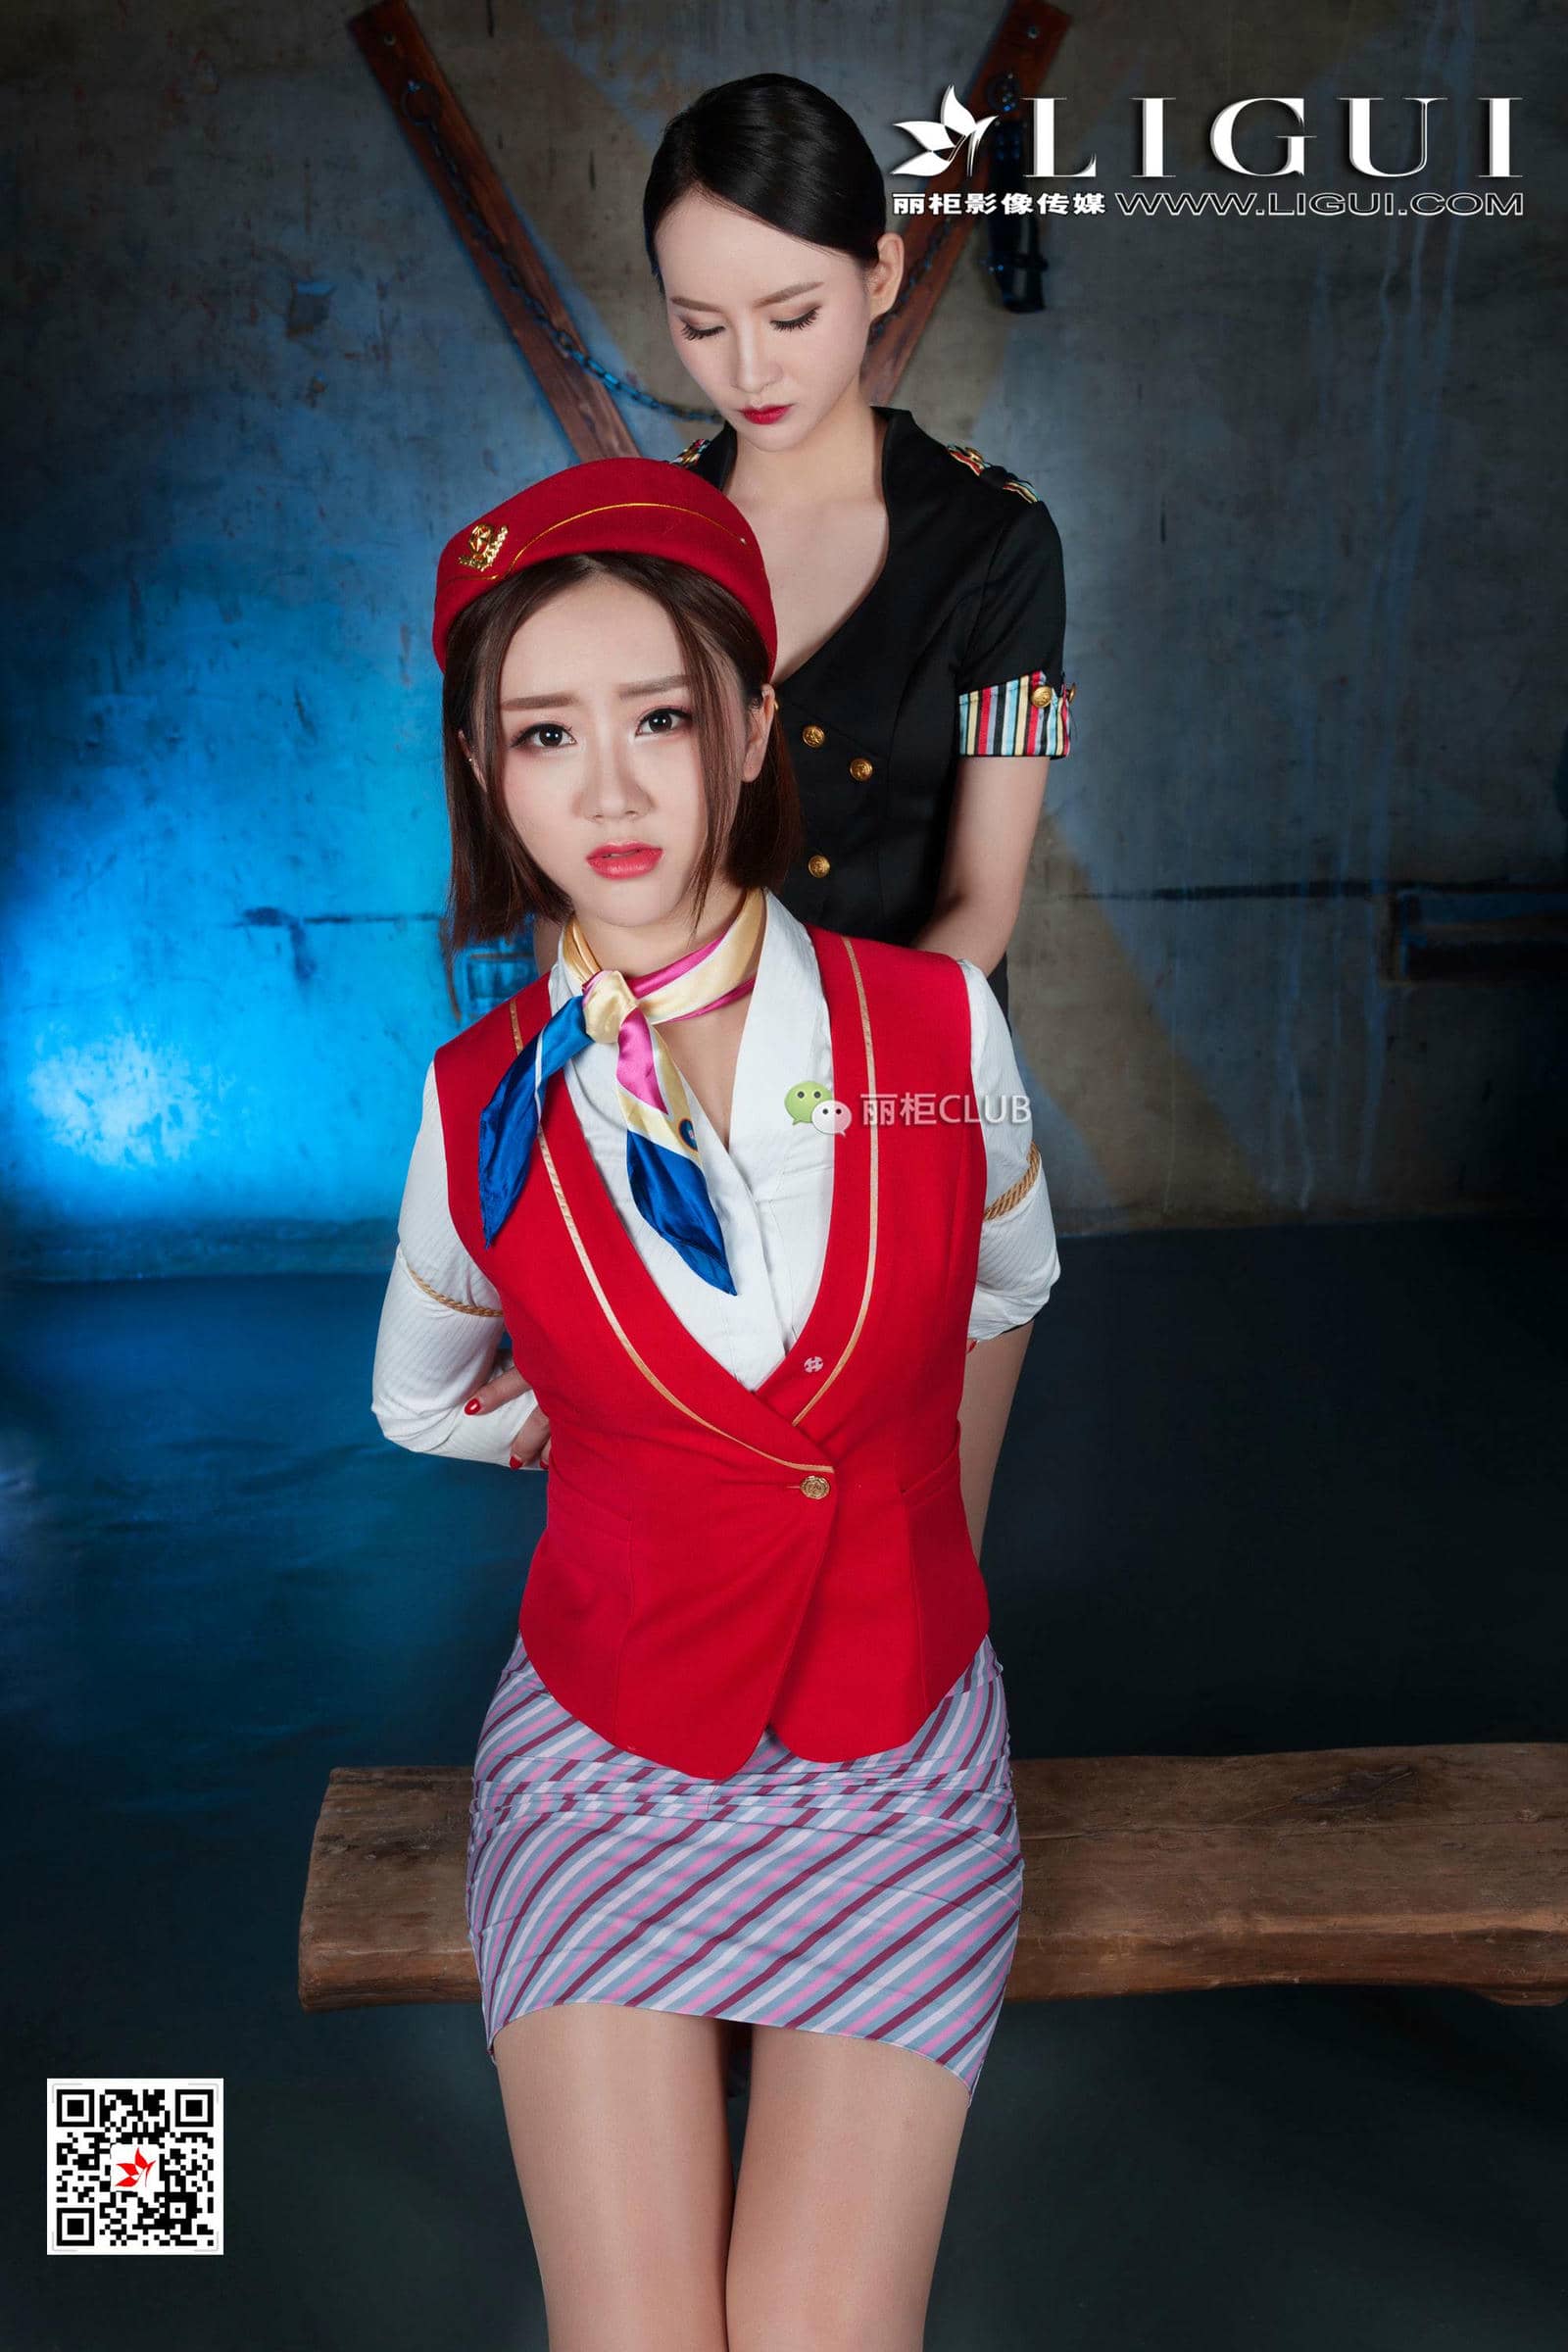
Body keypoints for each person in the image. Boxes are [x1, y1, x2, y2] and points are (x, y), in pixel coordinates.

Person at [370, 456, 1060, 2350]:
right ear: (486, 772)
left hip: (897, 1767)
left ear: (752, 730)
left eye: (661, 718)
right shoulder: (474, 1107)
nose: (607, 791)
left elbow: (1005, 1285)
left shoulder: (934, 1037)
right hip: (607, 1757)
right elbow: (418, 1406)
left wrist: (919, 1550)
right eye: (544, 735)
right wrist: (580, 1435)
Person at [530, 71, 1077, 1028]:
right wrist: (613, 1047)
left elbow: (980, 905)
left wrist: (818, 1066)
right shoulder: (634, 540)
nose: (749, 370)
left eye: (792, 316)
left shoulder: (994, 541)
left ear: (881, 275)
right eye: (700, 325)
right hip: (669, 1056)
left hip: (907, 1048)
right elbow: (571, 873)